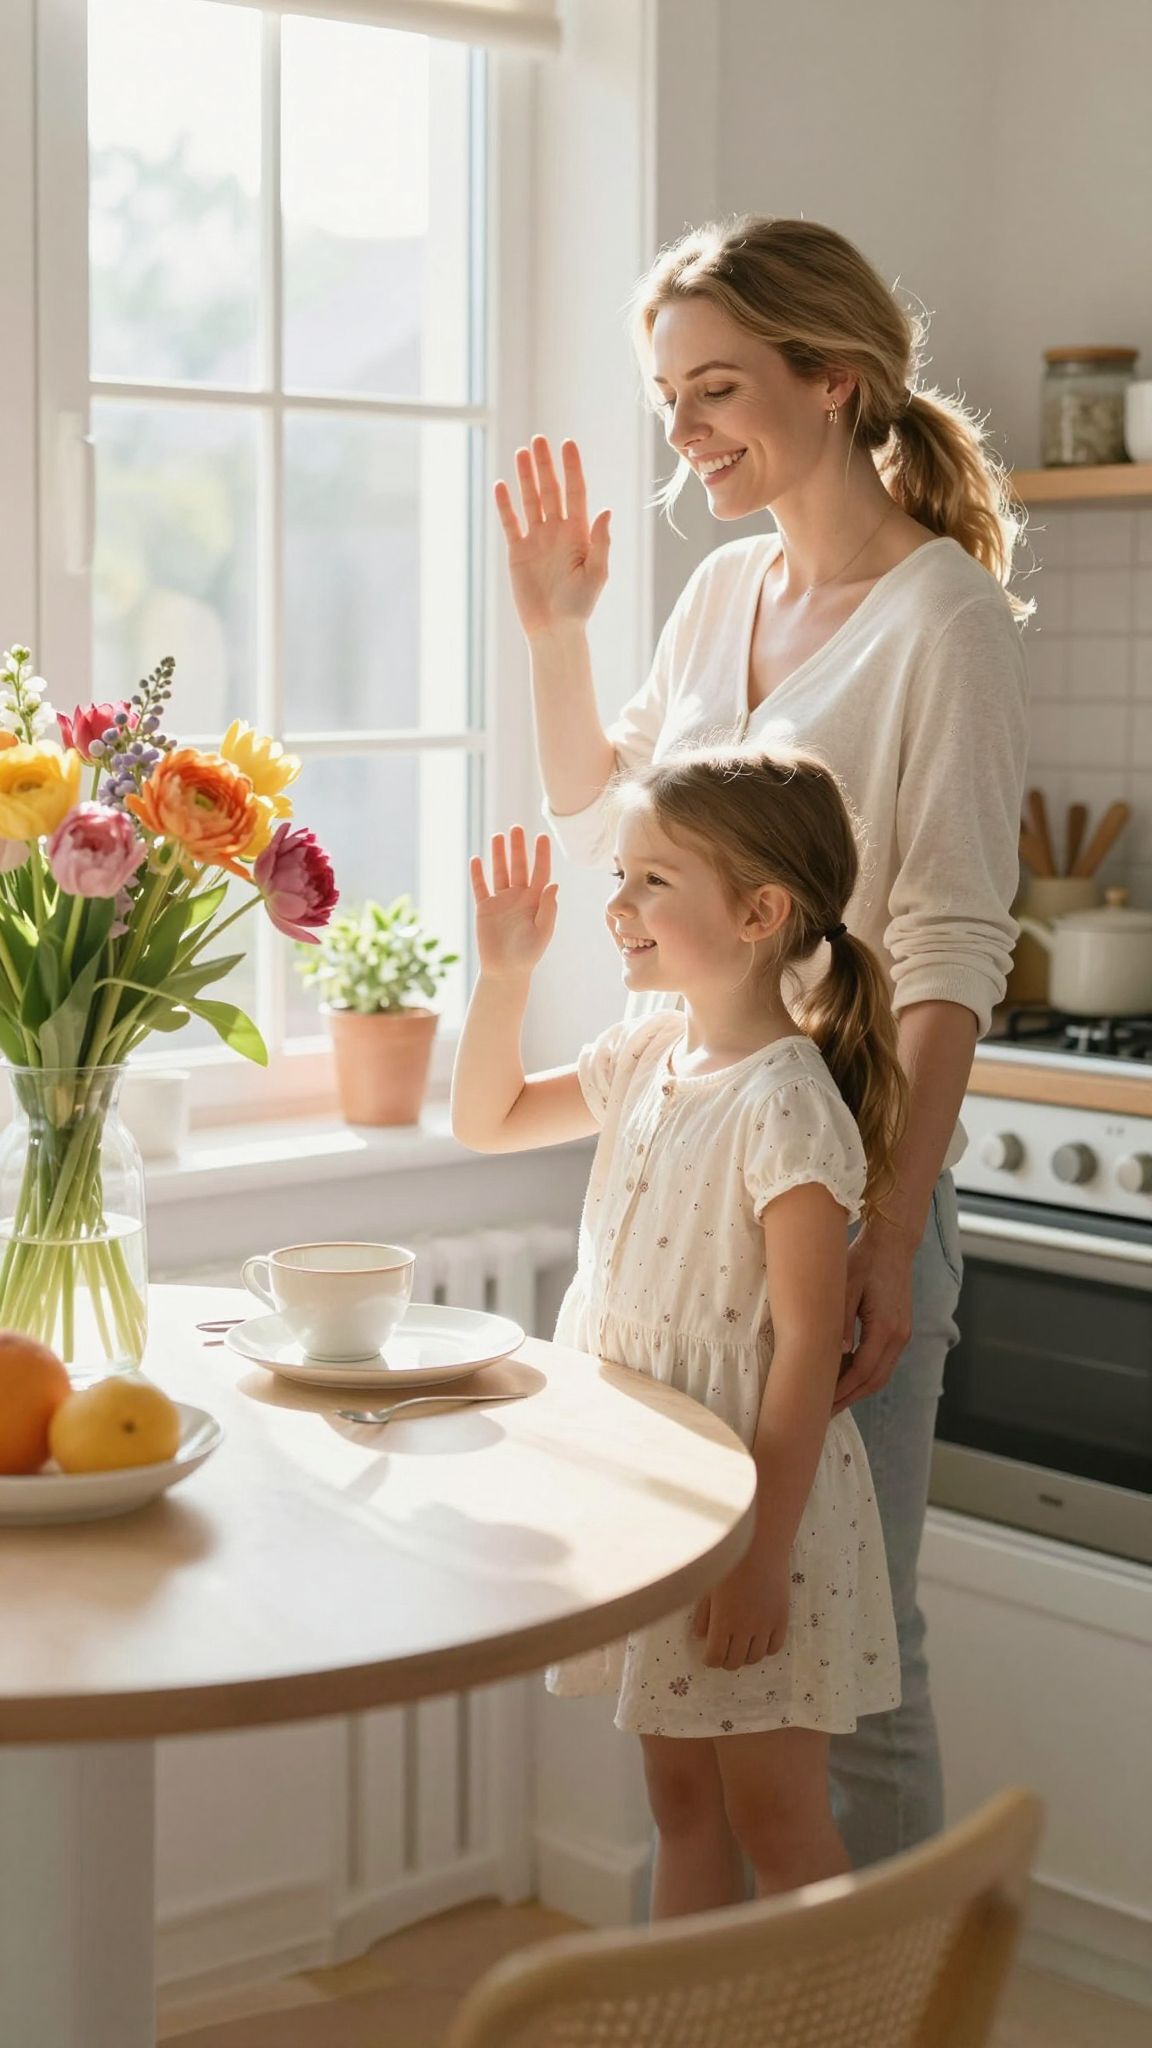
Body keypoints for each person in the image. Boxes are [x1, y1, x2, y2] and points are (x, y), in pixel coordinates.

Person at [493, 215, 1030, 1866]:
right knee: (694, 1633)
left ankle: (879, 2006)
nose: (685, 432)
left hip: (840, 1181)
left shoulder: (939, 619)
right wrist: (554, 626)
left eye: (715, 389)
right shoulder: (724, 587)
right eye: (668, 397)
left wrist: (886, 1220)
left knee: (843, 1659)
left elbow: (947, 948)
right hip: (696, 1170)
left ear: (835, 380)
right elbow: (603, 806)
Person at [451, 746, 908, 1910]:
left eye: (654, 880)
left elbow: (805, 1347)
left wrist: (757, 1558)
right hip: (660, 1502)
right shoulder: (650, 1052)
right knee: (680, 1803)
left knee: (779, 1816)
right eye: (624, 873)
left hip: (758, 1521)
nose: (619, 905)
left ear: (760, 911)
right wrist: (504, 973)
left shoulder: (789, 1101)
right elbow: (486, 1120)